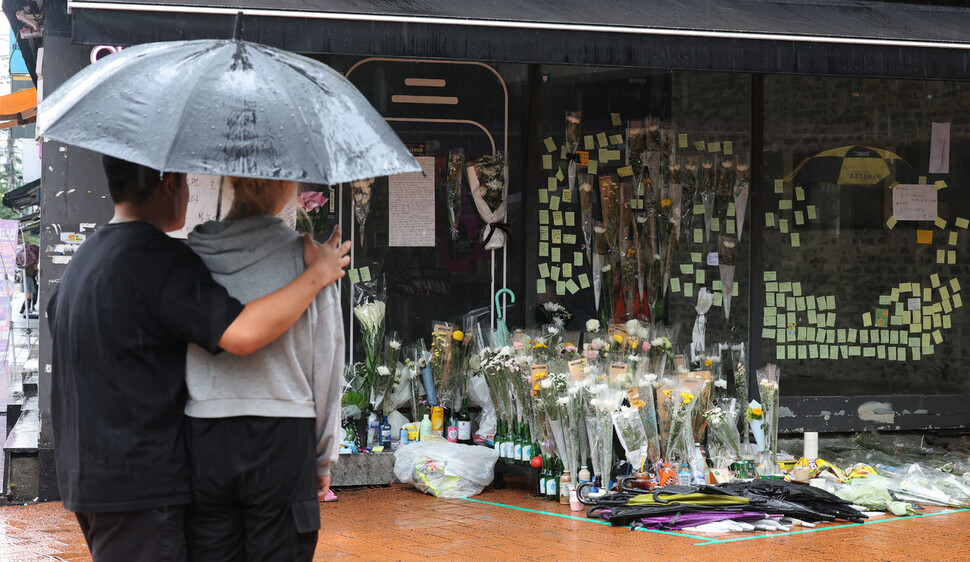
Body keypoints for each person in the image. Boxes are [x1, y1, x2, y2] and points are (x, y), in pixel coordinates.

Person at [46, 155, 351, 562]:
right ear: (169, 183)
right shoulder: (162, 259)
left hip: (120, 467)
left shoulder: (91, 261)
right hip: (156, 475)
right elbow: (247, 335)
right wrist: (316, 275)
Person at [183, 177, 343, 561]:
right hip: (283, 438)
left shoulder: (190, 257)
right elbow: (327, 368)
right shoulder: (312, 261)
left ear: (230, 183)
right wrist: (322, 457)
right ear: (288, 188)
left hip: (204, 435)